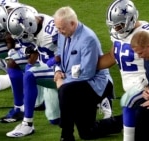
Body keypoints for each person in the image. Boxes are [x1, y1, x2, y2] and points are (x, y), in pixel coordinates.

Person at [97, 0, 149, 140]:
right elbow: (113, 56)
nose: (116, 29)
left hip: (148, 91)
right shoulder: (117, 35)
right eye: (114, 26)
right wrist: (87, 67)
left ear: (131, 19)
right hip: (133, 93)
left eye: (120, 25)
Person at [53, 6, 122, 141]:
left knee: (65, 91)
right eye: (58, 28)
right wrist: (58, 71)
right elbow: (59, 54)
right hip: (77, 83)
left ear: (72, 23)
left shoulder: (88, 38)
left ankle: (66, 135)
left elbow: (87, 73)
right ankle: (125, 120)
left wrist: (63, 82)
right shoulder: (63, 34)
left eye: (62, 28)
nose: (59, 31)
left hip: (95, 83)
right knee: (87, 133)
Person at [4, 6, 62, 137]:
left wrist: (51, 62)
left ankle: (27, 124)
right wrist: (29, 61)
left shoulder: (53, 31)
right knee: (55, 120)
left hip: (63, 71)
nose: (22, 39)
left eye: (23, 35)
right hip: (47, 67)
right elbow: (33, 49)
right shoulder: (33, 21)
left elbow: (68, 53)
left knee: (30, 75)